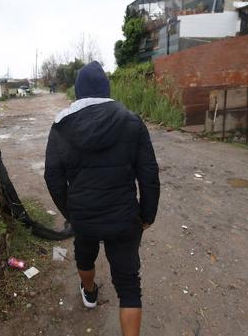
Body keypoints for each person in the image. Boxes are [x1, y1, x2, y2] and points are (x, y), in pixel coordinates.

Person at [44, 61, 160, 336]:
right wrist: (147, 215)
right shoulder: (132, 122)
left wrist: (71, 212)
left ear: (78, 91)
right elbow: (149, 175)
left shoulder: (61, 126)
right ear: (106, 89)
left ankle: (89, 292)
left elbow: (53, 177)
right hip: (124, 218)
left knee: (85, 255)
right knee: (129, 285)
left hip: (83, 215)